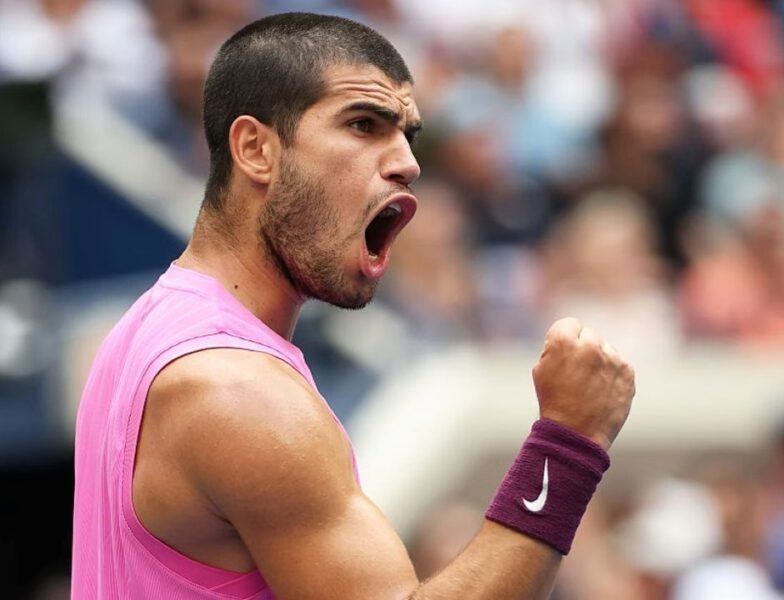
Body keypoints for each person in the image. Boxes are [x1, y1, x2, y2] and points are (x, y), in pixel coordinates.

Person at [70, 12, 635, 600]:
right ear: (256, 149)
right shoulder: (238, 390)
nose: (408, 164)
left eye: (407, 135)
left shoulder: (146, 330)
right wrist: (568, 442)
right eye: (363, 124)